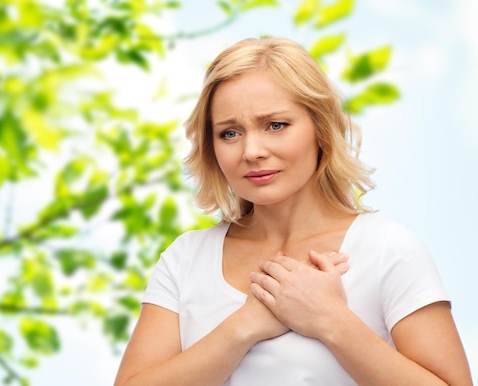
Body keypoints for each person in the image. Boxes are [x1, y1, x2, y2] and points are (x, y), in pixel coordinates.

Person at [114, 36, 473, 386]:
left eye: (276, 125)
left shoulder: (388, 250)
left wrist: (331, 320)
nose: (252, 150)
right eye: (229, 133)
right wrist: (245, 326)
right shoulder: (185, 259)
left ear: (320, 129)